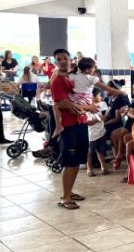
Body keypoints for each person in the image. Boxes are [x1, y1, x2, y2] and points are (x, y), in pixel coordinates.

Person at [51, 49, 99, 210]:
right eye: (59, 59)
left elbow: (82, 96)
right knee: (70, 162)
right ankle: (65, 198)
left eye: (65, 58)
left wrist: (84, 107)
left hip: (81, 122)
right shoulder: (57, 80)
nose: (62, 61)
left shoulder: (74, 77)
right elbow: (62, 103)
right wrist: (87, 107)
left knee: (77, 160)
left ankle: (69, 192)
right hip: (68, 125)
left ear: (70, 59)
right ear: (55, 62)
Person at [51, 57, 124, 138]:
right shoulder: (92, 78)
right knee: (74, 109)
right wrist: (119, 91)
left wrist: (63, 68)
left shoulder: (75, 76)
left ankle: (59, 126)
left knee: (57, 106)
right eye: (94, 67)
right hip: (84, 99)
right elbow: (105, 87)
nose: (95, 69)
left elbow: (59, 74)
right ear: (87, 70)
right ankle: (76, 116)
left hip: (77, 98)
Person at [86, 88, 110, 177]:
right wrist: (99, 118)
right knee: (89, 152)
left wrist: (103, 116)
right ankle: (89, 168)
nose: (101, 97)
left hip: (101, 132)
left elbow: (105, 116)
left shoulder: (102, 104)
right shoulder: (86, 107)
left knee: (100, 151)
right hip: (91, 134)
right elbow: (88, 122)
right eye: (99, 95)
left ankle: (103, 167)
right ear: (93, 97)